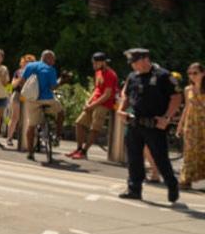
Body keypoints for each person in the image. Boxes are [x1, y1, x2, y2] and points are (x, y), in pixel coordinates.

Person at [117, 48, 182, 203]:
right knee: (134, 158)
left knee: (160, 158)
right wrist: (121, 110)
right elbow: (126, 95)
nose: (132, 65)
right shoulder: (132, 76)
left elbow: (176, 97)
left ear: (145, 59)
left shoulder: (163, 76)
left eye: (134, 61)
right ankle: (134, 189)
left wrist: (166, 118)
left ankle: (172, 184)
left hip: (154, 124)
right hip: (134, 122)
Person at [67, 52, 119, 159]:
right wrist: (88, 102)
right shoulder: (98, 72)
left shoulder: (110, 74)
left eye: (96, 63)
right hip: (94, 102)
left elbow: (107, 94)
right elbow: (96, 89)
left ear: (103, 62)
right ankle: (79, 148)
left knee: (94, 128)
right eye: (93, 63)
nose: (94, 66)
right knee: (79, 123)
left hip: (103, 104)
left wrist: (93, 105)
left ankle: (84, 151)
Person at [20, 50, 62, 161]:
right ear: (48, 58)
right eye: (53, 59)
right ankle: (57, 136)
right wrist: (61, 81)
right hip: (47, 100)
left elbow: (22, 81)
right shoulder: (50, 69)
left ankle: (30, 153)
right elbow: (53, 87)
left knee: (31, 125)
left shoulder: (30, 66)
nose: (54, 62)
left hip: (32, 101)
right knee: (61, 112)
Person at [177, 62, 204, 189]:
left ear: (203, 73)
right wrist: (180, 125)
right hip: (191, 124)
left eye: (195, 73)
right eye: (190, 73)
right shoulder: (187, 89)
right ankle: (186, 179)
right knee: (189, 152)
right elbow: (186, 108)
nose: (192, 76)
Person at [5, 54, 35, 148]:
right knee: (15, 117)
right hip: (18, 94)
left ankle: (29, 140)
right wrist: (20, 78)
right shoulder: (18, 72)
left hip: (29, 96)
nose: (27, 65)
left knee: (29, 118)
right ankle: (9, 138)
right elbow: (13, 85)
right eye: (25, 62)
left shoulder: (35, 74)